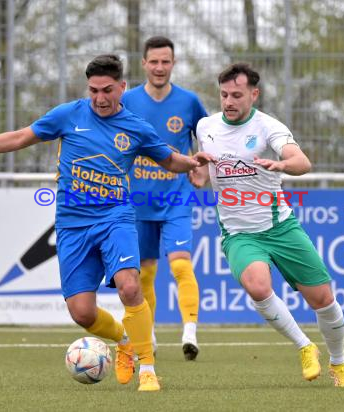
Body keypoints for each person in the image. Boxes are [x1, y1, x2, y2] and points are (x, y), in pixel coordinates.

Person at [0, 54, 212, 392]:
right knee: (82, 312)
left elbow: (170, 160)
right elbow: (19, 137)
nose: (100, 98)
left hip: (116, 217)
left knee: (130, 286)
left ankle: (147, 367)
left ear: (122, 88)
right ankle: (124, 340)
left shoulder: (135, 127)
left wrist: (192, 163)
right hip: (73, 226)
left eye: (108, 90)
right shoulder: (68, 115)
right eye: (94, 90)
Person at [189, 63, 344, 387]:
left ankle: (339, 363)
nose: (229, 102)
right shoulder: (206, 127)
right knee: (258, 286)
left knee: (323, 299)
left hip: (280, 227)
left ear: (254, 94)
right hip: (238, 233)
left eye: (236, 95)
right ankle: (305, 346)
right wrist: (196, 174)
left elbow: (302, 161)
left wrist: (281, 163)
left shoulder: (268, 127)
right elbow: (201, 177)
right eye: (224, 95)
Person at [121, 36, 207, 360]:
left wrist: (204, 171)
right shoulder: (127, 101)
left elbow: (208, 138)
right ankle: (150, 334)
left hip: (176, 200)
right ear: (144, 64)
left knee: (181, 265)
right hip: (137, 202)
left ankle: (190, 331)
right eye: (154, 61)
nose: (159, 67)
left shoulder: (189, 102)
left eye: (165, 61)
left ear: (174, 64)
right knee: (144, 273)